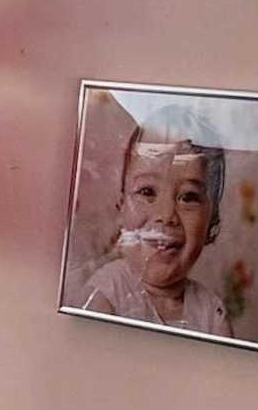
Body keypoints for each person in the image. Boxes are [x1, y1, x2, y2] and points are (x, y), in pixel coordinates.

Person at [81, 129, 230, 334]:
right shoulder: (107, 293)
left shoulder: (211, 312)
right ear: (121, 209)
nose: (167, 214)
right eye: (147, 192)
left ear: (211, 220)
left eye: (188, 197)